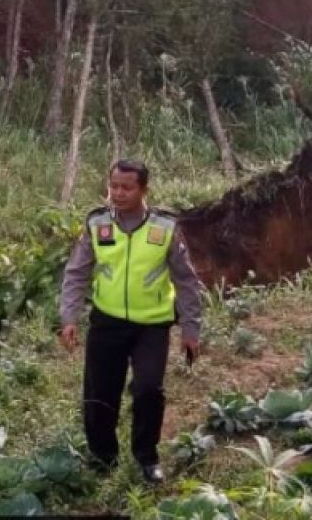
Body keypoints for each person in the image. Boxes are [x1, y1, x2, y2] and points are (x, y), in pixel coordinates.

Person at [58, 159, 204, 484]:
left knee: (149, 389)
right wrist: (69, 317)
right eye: (114, 186)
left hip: (151, 326)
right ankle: (102, 457)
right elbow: (77, 272)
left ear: (143, 190)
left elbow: (186, 281)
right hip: (106, 323)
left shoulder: (164, 229)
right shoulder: (97, 224)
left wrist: (191, 329)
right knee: (100, 392)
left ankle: (147, 458)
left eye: (127, 187)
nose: (118, 194)